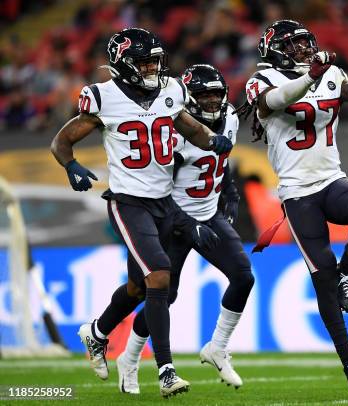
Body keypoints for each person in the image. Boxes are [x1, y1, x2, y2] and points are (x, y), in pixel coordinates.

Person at [50, 28, 233, 398]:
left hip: (164, 202)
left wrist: (211, 140)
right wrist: (70, 166)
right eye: (145, 61)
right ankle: (166, 370)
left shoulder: (169, 91)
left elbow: (187, 124)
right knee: (161, 278)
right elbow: (62, 140)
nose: (153, 67)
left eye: (155, 60)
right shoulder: (104, 97)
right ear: (124, 64)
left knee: (137, 288)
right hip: (128, 202)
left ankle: (97, 332)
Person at [237, 19, 348, 393]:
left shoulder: (327, 72)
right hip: (297, 192)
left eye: (303, 44)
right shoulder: (261, 81)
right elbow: (275, 101)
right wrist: (310, 77)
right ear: (274, 50)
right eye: (292, 46)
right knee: (322, 276)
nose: (301, 50)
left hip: (331, 179)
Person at [115, 64, 254, 394]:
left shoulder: (230, 118)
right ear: (188, 98)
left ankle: (217, 347)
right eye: (203, 95)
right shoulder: (175, 131)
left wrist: (230, 194)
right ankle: (130, 358)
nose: (210, 100)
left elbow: (223, 161)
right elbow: (161, 186)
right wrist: (184, 224)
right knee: (165, 294)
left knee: (243, 275)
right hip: (172, 220)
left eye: (215, 94)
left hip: (208, 215)